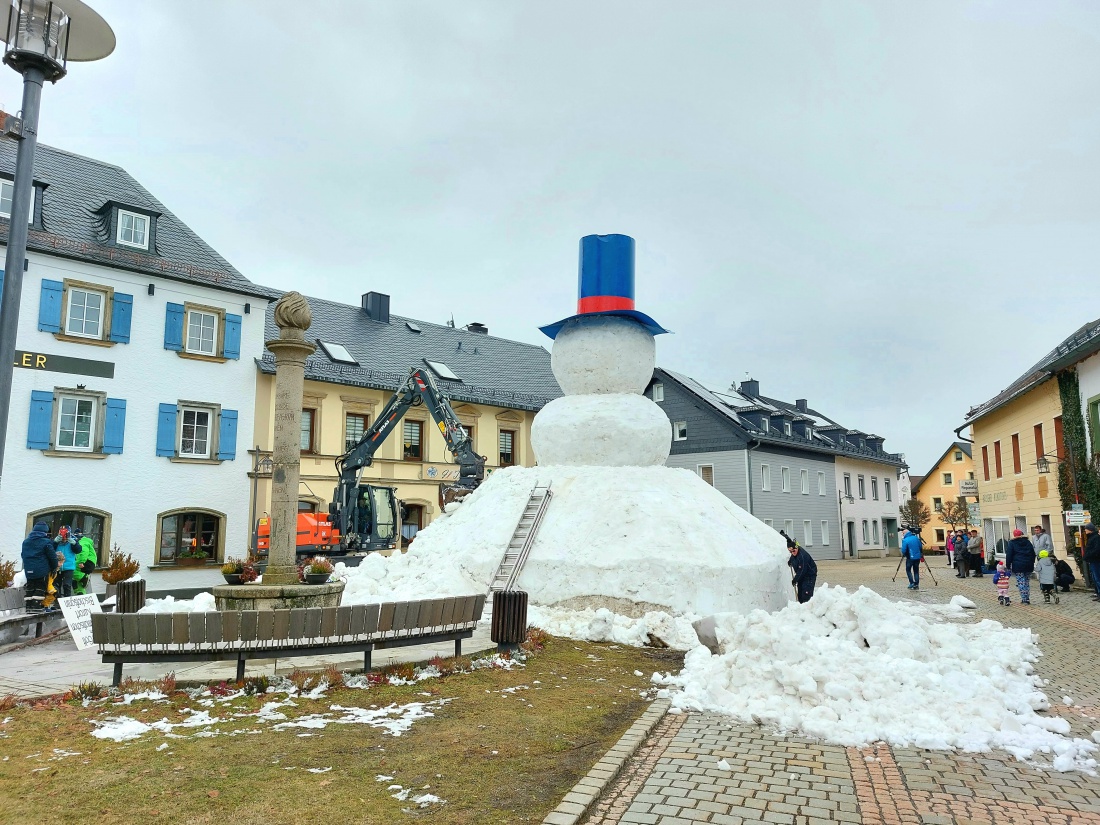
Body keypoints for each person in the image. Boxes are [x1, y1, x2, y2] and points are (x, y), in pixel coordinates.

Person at [20, 521, 58, 613]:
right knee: (40, 588)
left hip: (29, 570)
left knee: (30, 588)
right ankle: (36, 606)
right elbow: (52, 557)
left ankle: (28, 607)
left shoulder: (26, 542)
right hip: (41, 570)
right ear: (45, 532)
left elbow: (23, 555)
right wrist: (54, 567)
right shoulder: (46, 542)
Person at [784, 532, 817, 603]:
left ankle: (808, 611)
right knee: (800, 596)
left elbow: (801, 571)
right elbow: (793, 556)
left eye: (793, 550)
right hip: (802, 576)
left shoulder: (802, 556)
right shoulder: (795, 552)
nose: (792, 553)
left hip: (809, 576)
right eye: (790, 552)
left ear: (796, 547)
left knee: (806, 595)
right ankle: (801, 609)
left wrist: (795, 580)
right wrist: (790, 561)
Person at [1005, 528, 1036, 605]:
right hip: (1028, 565)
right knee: (1026, 581)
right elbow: (1033, 553)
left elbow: (1009, 555)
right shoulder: (1028, 542)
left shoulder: (1012, 543)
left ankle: (1024, 598)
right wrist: (1032, 562)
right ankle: (1027, 598)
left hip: (1018, 565)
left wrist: (1008, 565)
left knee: (1021, 582)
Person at [54, 525, 78, 599]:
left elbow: (78, 550)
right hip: (58, 567)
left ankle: (67, 601)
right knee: (56, 585)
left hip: (69, 567)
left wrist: (74, 543)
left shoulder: (72, 542)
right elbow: (50, 549)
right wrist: (54, 542)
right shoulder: (56, 542)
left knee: (67, 585)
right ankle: (57, 602)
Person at [72, 528, 97, 596]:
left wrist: (81, 562)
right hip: (90, 562)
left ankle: (84, 578)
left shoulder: (82, 542)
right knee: (75, 580)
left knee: (71, 570)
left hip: (87, 562)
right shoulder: (86, 541)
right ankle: (80, 593)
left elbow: (83, 552)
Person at [1083, 523, 1100, 601]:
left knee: (1097, 578)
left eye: (1086, 529)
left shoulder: (1095, 538)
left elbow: (1096, 550)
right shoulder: (1092, 537)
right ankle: (1097, 592)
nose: (1085, 530)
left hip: (1095, 560)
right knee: (1094, 577)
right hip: (1092, 560)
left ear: (1090, 529)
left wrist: (1088, 555)